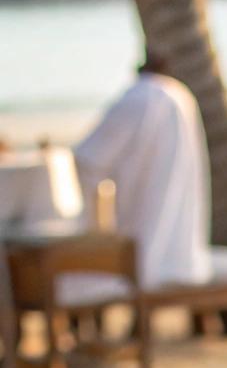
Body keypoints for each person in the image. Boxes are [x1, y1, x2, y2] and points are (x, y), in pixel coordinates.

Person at [74, 52, 212, 289]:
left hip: (143, 242)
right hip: (185, 255)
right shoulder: (180, 94)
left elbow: (89, 159)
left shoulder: (140, 97)